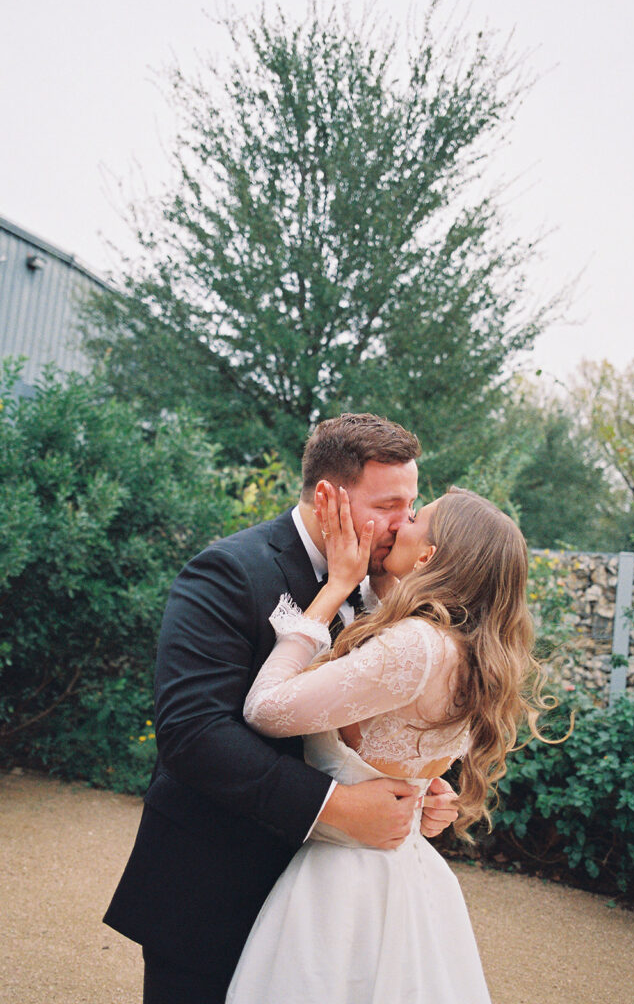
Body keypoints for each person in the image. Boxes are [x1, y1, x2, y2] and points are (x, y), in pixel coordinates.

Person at [104, 413, 459, 1004]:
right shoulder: (228, 572)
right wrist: (337, 806)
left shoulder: (389, 591)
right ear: (328, 498)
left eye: (412, 504)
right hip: (216, 889)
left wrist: (418, 787)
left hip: (329, 914)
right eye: (389, 505)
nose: (405, 525)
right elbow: (192, 733)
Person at [224, 484, 556, 1003]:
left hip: (345, 883)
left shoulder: (416, 645)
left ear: (428, 555)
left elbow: (264, 710)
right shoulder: (472, 651)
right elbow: (406, 749)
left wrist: (333, 589)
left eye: (416, 516)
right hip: (408, 874)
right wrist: (429, 791)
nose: (400, 522)